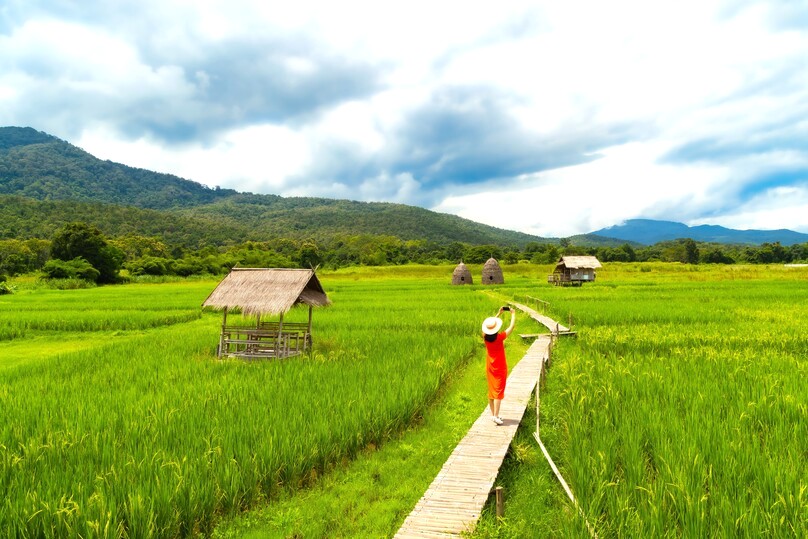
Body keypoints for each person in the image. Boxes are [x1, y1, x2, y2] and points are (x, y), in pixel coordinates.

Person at [481, 306, 516, 425]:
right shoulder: (499, 337)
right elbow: (511, 327)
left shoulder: (485, 337)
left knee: (492, 390)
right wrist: (513, 314)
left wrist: (498, 314)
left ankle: (493, 415)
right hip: (500, 367)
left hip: (490, 366)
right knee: (498, 391)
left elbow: (488, 329)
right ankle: (496, 416)